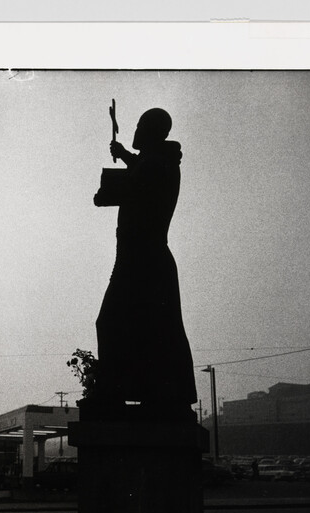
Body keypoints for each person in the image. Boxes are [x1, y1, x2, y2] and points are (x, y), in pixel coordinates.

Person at [92, 108, 197, 422]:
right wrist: (125, 155)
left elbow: (130, 185)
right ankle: (160, 395)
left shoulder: (155, 166)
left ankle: (115, 393)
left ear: (152, 131)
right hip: (141, 259)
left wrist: (112, 182)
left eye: (140, 126)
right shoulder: (157, 163)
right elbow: (139, 172)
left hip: (142, 262)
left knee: (114, 324)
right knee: (155, 329)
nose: (135, 130)